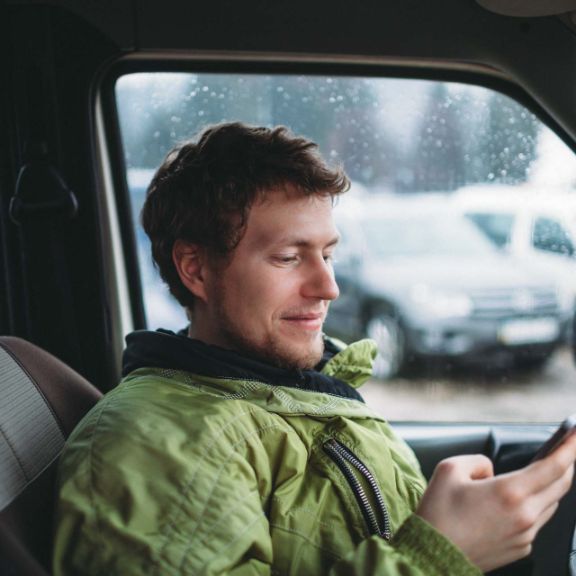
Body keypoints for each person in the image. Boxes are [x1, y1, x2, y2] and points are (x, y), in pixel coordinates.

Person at [53, 122, 576, 575]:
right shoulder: (153, 444)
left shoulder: (293, 391)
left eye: (327, 253)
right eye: (288, 257)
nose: (329, 287)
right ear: (195, 268)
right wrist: (439, 556)